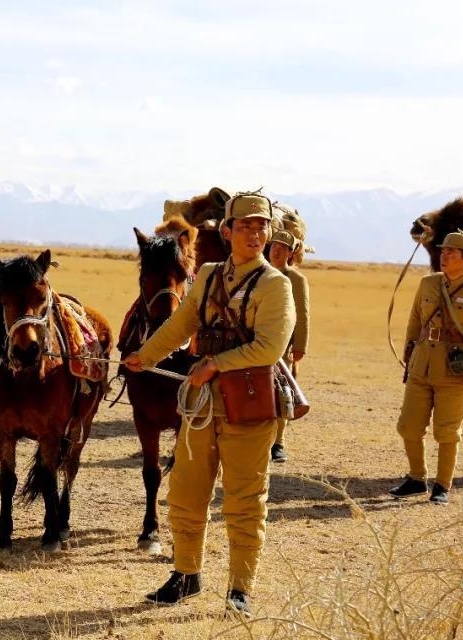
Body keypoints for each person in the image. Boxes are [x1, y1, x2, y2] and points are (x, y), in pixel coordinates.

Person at [124, 192, 294, 617]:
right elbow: (180, 325)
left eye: (261, 227)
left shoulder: (277, 285)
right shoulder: (208, 277)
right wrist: (144, 357)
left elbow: (270, 348)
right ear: (227, 231)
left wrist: (214, 364)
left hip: (250, 403)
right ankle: (186, 574)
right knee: (185, 491)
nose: (254, 234)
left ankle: (239, 588)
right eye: (245, 227)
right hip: (202, 405)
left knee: (244, 499)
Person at [390, 231, 463, 505]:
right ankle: (417, 478)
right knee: (408, 426)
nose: (445, 255)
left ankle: (442, 485)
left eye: (452, 253)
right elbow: (415, 320)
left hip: (455, 370)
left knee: (447, 430)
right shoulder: (428, 283)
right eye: (443, 251)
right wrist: (409, 352)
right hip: (421, 366)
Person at [267, 229, 310, 462]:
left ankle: (278, 442)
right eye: (274, 245)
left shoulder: (296, 279)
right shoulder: (258, 272)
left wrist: (300, 345)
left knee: (282, 392)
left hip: (283, 344)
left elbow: (302, 315)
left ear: (291, 253)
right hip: (256, 341)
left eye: (283, 248)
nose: (276, 250)